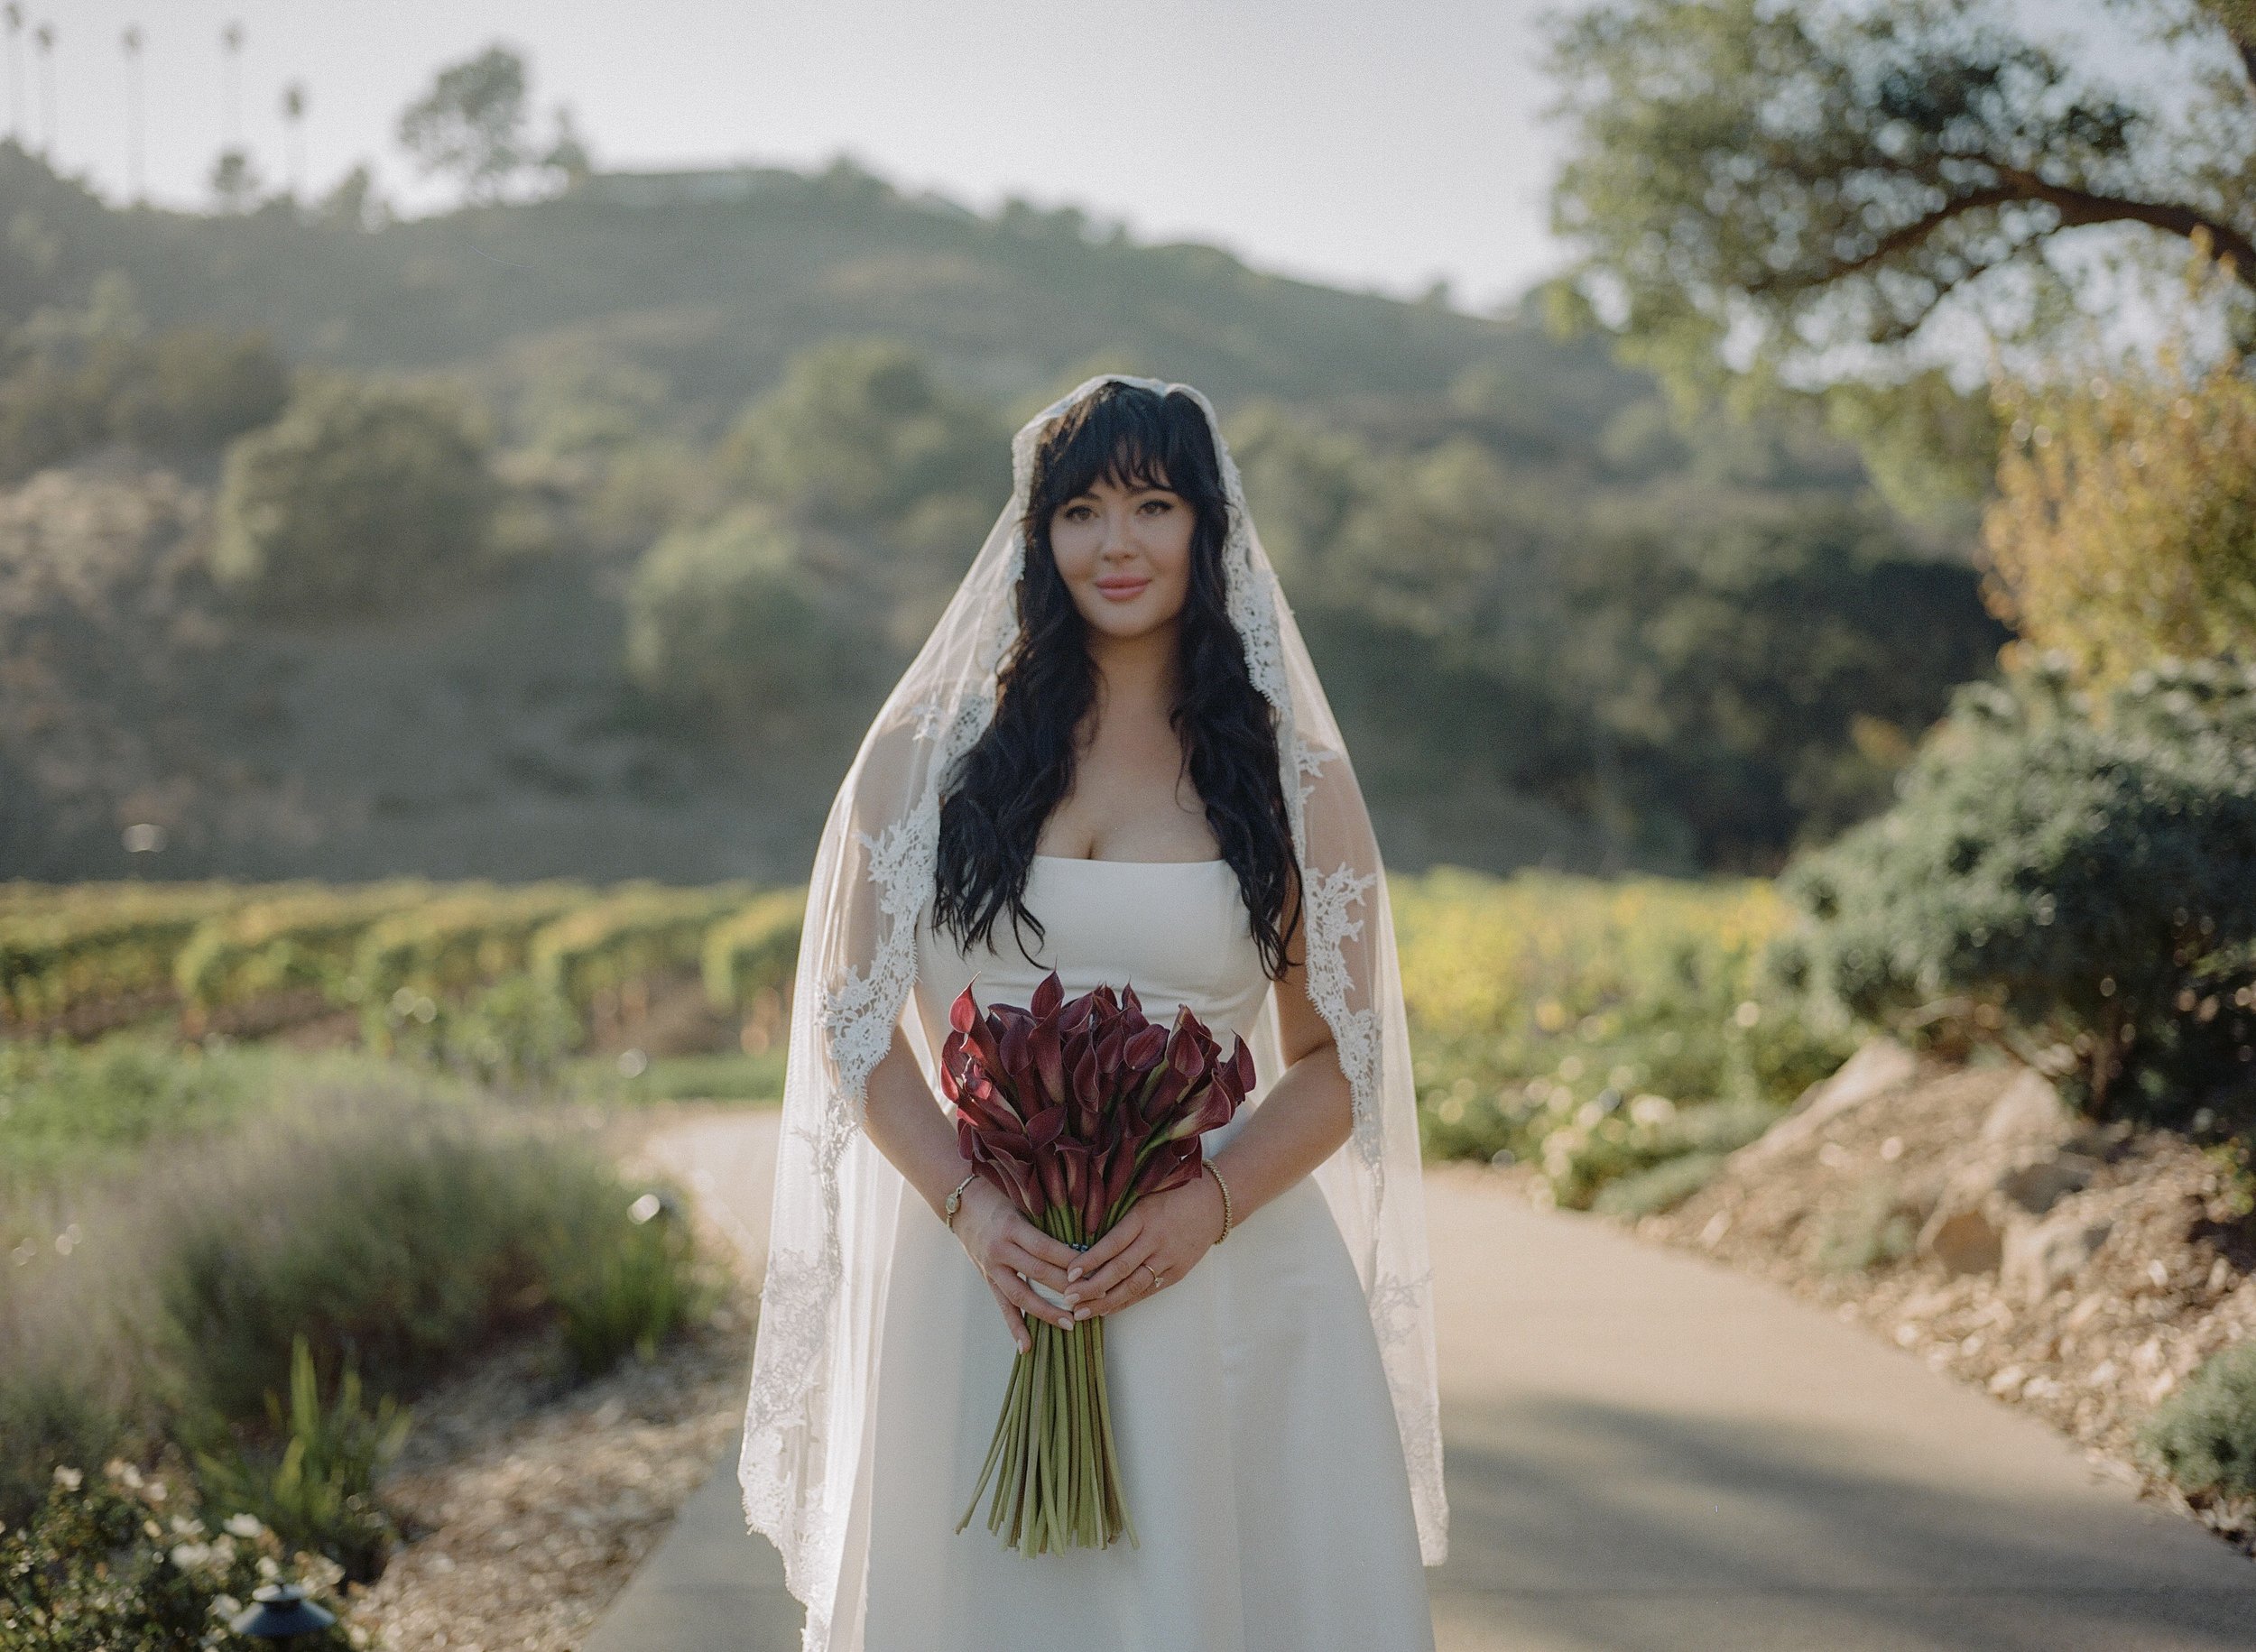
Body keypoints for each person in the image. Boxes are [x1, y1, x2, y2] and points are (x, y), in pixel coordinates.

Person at [739, 374, 1447, 1652]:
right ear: (1037, 533)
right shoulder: (927, 757)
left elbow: (1340, 1064)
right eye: (1080, 510)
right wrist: (977, 1209)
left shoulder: (1298, 783)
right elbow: (854, 1025)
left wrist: (1202, 1208)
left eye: (1153, 503)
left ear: (1207, 527)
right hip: (982, 1272)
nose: (1115, 543)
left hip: (1214, 1275)